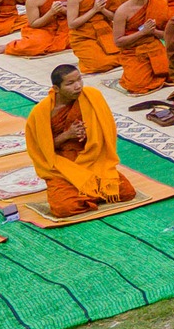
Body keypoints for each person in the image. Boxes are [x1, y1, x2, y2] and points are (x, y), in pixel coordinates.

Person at [25, 64, 137, 217]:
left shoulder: (92, 97)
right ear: (56, 89)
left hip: (91, 158)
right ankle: (90, 193)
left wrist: (91, 136)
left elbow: (106, 131)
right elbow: (41, 149)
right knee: (64, 208)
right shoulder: (42, 112)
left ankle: (86, 193)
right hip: (61, 164)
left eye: (79, 80)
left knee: (126, 192)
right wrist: (67, 135)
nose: (78, 86)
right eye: (70, 84)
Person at [111, 0, 171, 95]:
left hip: (154, 47)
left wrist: (153, 32)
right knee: (136, 85)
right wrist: (142, 33)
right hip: (133, 51)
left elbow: (169, 35)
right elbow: (118, 42)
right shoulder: (123, 11)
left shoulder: (159, 4)